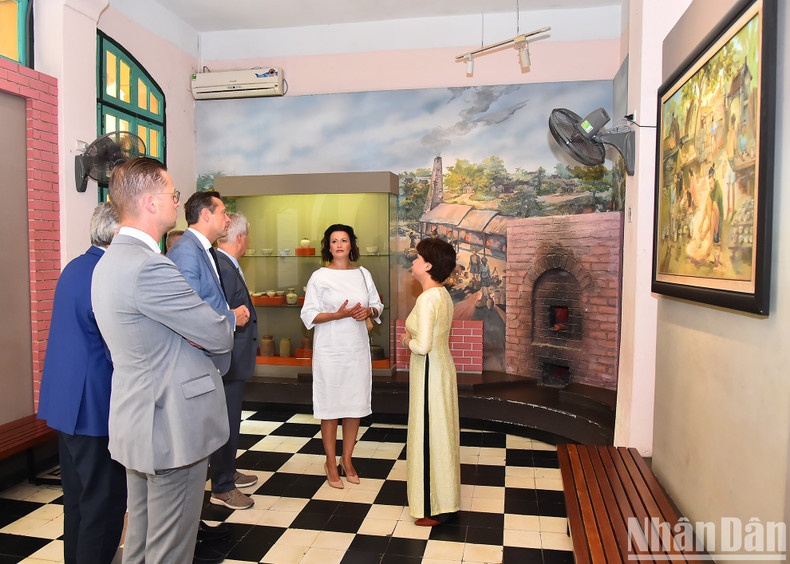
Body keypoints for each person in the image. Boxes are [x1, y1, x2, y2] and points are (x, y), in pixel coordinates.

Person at [91, 157, 234, 563]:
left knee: (140, 542)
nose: (177, 203)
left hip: (139, 419)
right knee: (170, 550)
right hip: (171, 426)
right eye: (173, 195)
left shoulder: (107, 263)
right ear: (152, 203)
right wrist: (199, 331)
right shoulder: (151, 267)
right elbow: (219, 331)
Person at [37, 202, 126, 564]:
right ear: (118, 233)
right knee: (102, 508)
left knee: (76, 504)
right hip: (94, 407)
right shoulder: (106, 273)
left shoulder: (75, 267)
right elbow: (114, 346)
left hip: (64, 405)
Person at [167, 190, 254, 511]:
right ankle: (217, 491)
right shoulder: (188, 253)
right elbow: (189, 314)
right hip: (195, 361)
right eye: (222, 213)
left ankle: (214, 489)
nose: (227, 219)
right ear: (205, 215)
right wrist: (232, 317)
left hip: (209, 358)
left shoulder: (199, 250)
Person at [300, 224, 383, 488]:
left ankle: (347, 460)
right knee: (331, 406)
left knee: (354, 404)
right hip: (330, 350)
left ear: (351, 245)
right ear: (328, 246)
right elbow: (308, 314)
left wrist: (368, 311)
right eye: (334, 241)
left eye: (344, 240)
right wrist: (338, 314)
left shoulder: (362, 273)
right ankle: (330, 461)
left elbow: (377, 305)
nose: (339, 245)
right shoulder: (319, 276)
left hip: (356, 349)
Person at [399, 237, 459, 527]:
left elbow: (422, 346)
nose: (412, 261)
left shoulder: (427, 299)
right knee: (441, 435)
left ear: (428, 265)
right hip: (442, 370)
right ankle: (443, 501)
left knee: (427, 436)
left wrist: (406, 339)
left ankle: (432, 508)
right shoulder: (443, 295)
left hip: (429, 375)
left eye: (417, 257)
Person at [212, 212, 259, 502]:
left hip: (234, 357)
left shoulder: (227, 264)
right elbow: (221, 315)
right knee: (226, 420)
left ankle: (228, 469)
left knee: (232, 419)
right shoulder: (223, 267)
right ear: (240, 237)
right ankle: (222, 486)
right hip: (227, 358)